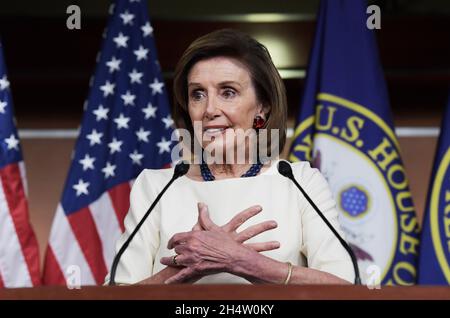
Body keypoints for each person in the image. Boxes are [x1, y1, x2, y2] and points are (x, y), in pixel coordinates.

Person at [106, 29, 354, 285]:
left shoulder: (300, 181)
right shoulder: (156, 186)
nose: (210, 109)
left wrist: (243, 262)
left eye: (228, 92)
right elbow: (115, 295)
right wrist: (189, 265)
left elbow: (344, 288)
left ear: (262, 107)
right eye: (197, 94)